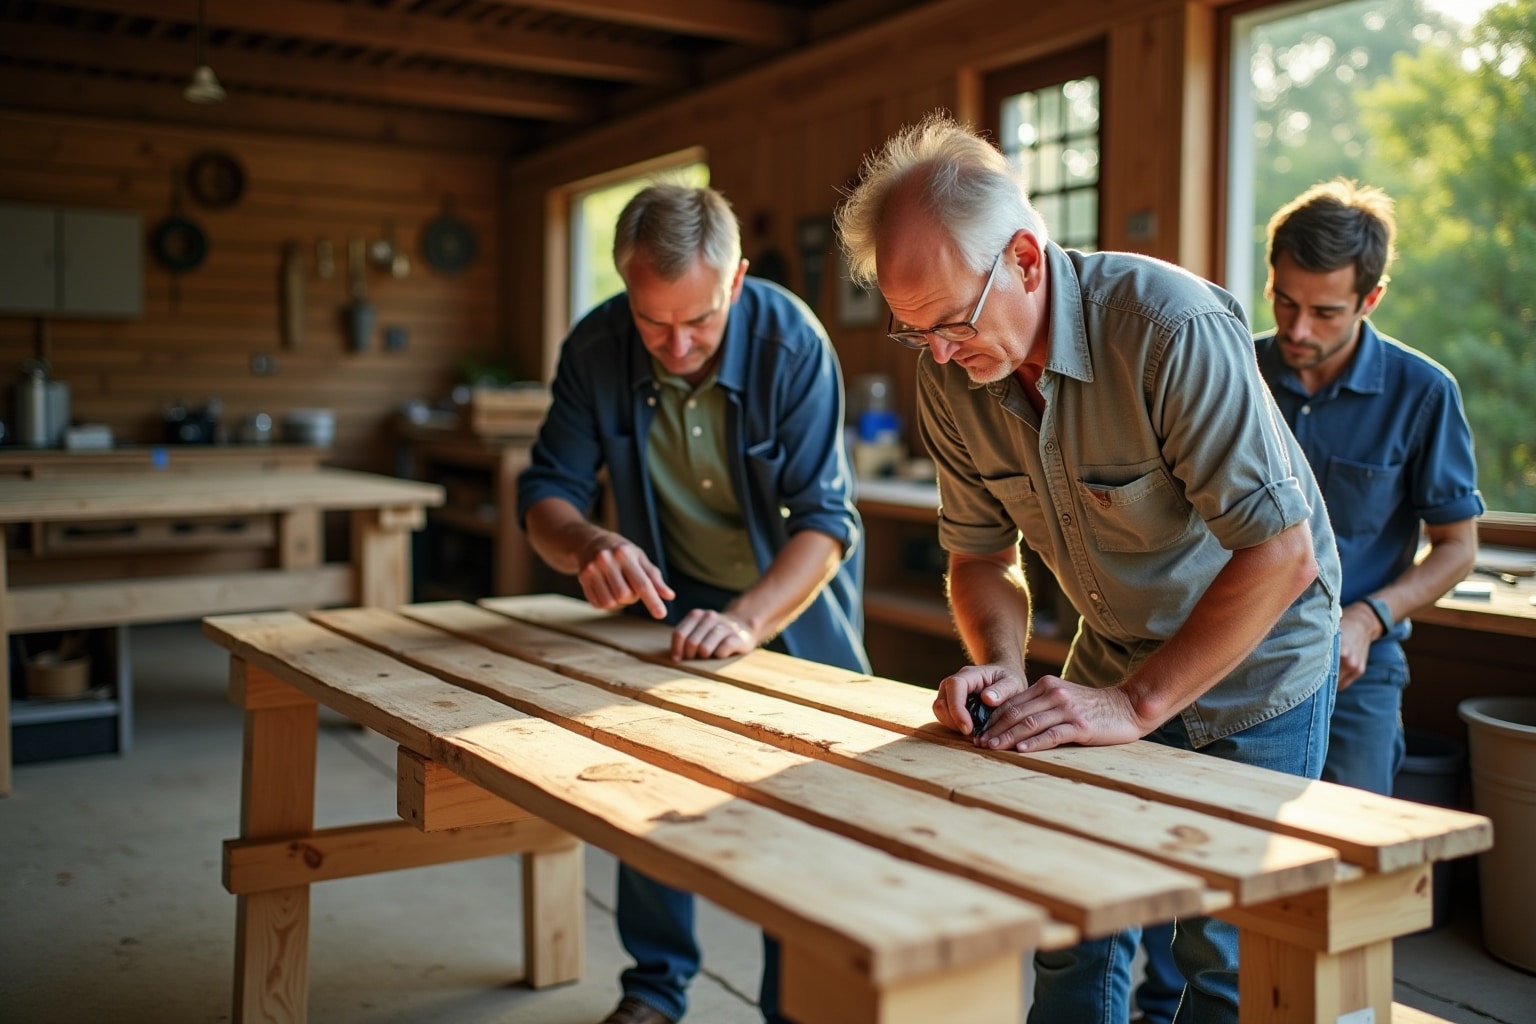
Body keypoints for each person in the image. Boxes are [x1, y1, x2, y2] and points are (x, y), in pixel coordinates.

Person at [834, 113, 1341, 1024]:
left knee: (1223, 957)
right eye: (916, 334)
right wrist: (999, 662)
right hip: (1110, 651)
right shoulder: (952, 373)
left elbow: (1282, 555)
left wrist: (1137, 705)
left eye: (951, 322)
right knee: (1071, 922)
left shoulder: (1168, 329)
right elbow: (979, 554)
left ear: (1025, 261)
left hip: (1255, 664)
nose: (939, 354)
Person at [517, 182, 869, 1024]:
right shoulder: (595, 347)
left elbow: (826, 524)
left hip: (788, 605)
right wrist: (588, 544)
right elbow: (545, 496)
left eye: (700, 322)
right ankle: (653, 990)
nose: (676, 347)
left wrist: (747, 620)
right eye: (653, 323)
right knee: (648, 782)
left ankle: (793, 1009)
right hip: (669, 605)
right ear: (624, 289)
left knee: (806, 805)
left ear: (736, 280)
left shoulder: (793, 343)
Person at [1257, 179, 1483, 796]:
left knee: (1355, 836)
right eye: (1284, 301)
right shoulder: (1231, 371)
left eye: (1325, 312)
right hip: (1232, 656)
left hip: (1357, 665)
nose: (1298, 329)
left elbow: (1457, 548)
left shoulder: (1424, 392)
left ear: (1371, 298)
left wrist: (1367, 619)